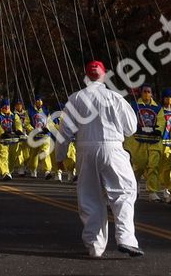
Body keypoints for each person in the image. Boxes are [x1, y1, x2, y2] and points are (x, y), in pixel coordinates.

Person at [52, 62, 143, 259]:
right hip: (113, 148)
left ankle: (94, 245)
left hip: (85, 150)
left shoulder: (75, 98)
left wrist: (60, 157)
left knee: (90, 197)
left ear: (87, 76)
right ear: (104, 76)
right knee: (124, 193)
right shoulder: (115, 97)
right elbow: (131, 128)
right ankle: (126, 238)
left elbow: (64, 133)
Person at [130, 86, 168, 201]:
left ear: (152, 94)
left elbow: (161, 121)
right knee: (138, 166)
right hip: (138, 141)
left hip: (154, 141)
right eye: (145, 92)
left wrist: (158, 130)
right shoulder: (134, 106)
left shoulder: (158, 108)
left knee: (153, 166)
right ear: (141, 93)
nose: (147, 94)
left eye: (149, 92)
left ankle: (152, 192)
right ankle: (135, 185)